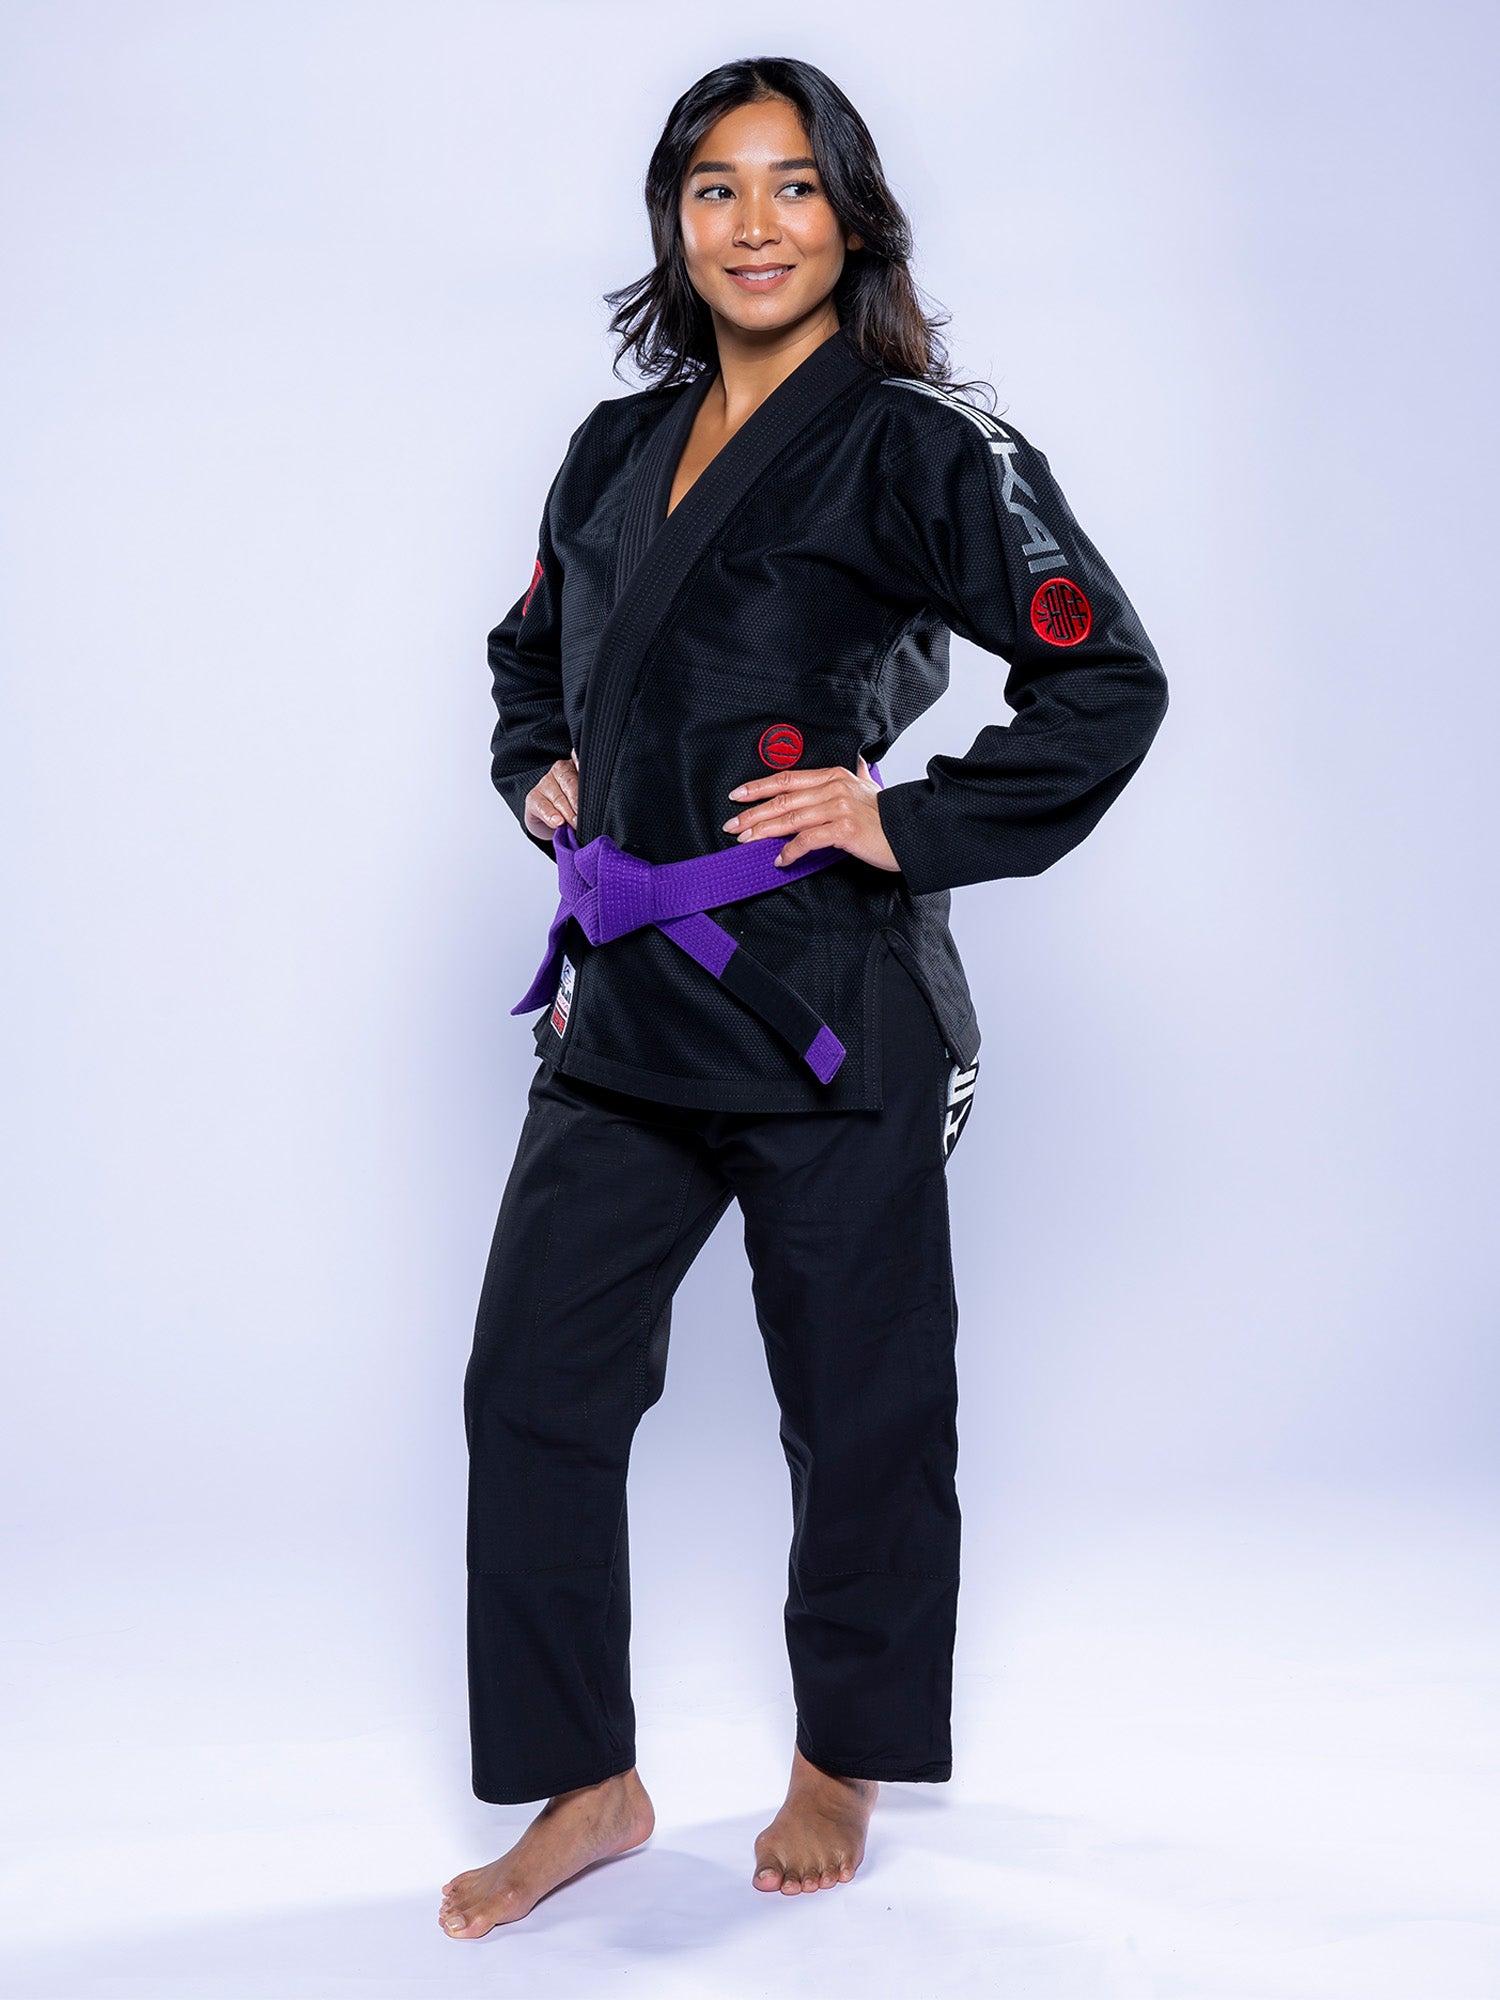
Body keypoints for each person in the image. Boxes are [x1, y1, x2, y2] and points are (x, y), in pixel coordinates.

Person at [440, 54, 1168, 1939]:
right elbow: (530, 656)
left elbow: (1108, 685)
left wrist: (902, 820)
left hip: (828, 1006)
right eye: (715, 188)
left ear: (852, 213)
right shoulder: (613, 447)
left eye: (791, 185)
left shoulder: (928, 447)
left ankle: (844, 1752)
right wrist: (535, 768)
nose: (753, 225)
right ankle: (587, 1783)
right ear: (674, 222)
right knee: (531, 1387)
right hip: (622, 1010)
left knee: (859, 1410)